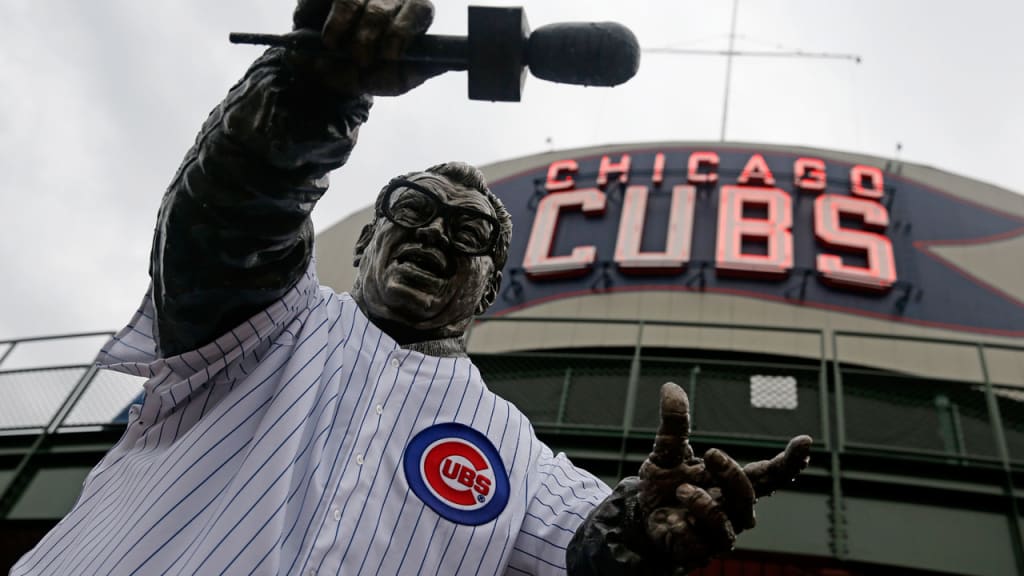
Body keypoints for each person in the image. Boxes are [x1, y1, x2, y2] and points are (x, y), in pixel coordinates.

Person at [12, 1, 810, 574]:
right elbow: (229, 214)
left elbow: (589, 550)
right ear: (364, 242)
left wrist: (644, 522)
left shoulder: (522, 462)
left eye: (467, 237)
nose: (434, 235)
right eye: (414, 211)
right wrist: (314, 90)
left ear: (487, 290)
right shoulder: (267, 324)